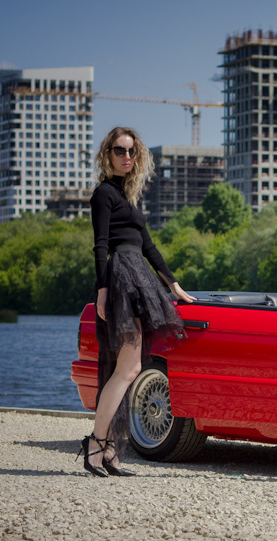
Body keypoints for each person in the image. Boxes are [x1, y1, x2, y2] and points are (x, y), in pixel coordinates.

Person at [78, 126, 194, 477]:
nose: (126, 157)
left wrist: (173, 284)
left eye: (131, 151)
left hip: (139, 276)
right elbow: (100, 245)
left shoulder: (129, 198)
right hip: (121, 278)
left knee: (128, 368)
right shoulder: (103, 194)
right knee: (127, 369)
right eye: (119, 150)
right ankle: (96, 446)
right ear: (107, 154)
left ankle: (110, 449)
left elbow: (149, 246)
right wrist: (101, 291)